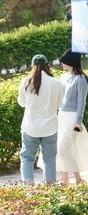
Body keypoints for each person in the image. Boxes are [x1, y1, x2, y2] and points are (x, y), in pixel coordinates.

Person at [17, 53, 65, 186]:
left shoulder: (26, 81)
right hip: (50, 127)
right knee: (49, 158)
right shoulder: (56, 83)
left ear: (33, 66)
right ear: (47, 65)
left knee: (27, 157)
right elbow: (59, 104)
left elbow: (22, 102)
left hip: (30, 127)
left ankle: (28, 185)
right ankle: (50, 185)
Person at [57, 50, 88, 185]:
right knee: (67, 149)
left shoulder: (81, 80)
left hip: (72, 118)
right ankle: (78, 179)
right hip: (61, 116)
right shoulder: (63, 77)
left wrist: (78, 122)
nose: (62, 64)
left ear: (71, 62)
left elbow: (82, 103)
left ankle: (65, 180)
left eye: (64, 62)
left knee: (63, 148)